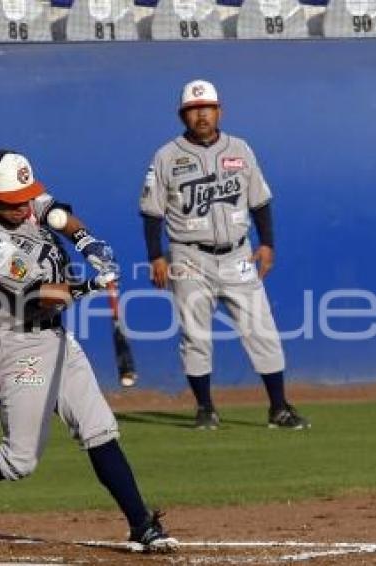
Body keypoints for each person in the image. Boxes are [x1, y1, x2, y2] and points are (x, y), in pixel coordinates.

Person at [0, 150, 178, 554]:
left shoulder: (23, 199)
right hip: (17, 344)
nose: (23, 207)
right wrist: (91, 286)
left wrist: (88, 243)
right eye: (13, 202)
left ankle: (142, 525)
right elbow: (43, 297)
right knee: (21, 460)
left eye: (25, 197)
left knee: (99, 429)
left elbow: (57, 214)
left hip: (56, 340)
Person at [139, 79, 310, 431]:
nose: (201, 115)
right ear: (182, 115)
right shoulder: (167, 156)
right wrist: (156, 256)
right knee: (195, 335)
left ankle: (279, 407)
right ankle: (205, 408)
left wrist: (267, 244)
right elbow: (152, 211)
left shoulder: (240, 149)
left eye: (207, 108)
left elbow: (260, 201)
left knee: (261, 329)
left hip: (238, 254)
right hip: (188, 257)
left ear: (219, 111)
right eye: (193, 109)